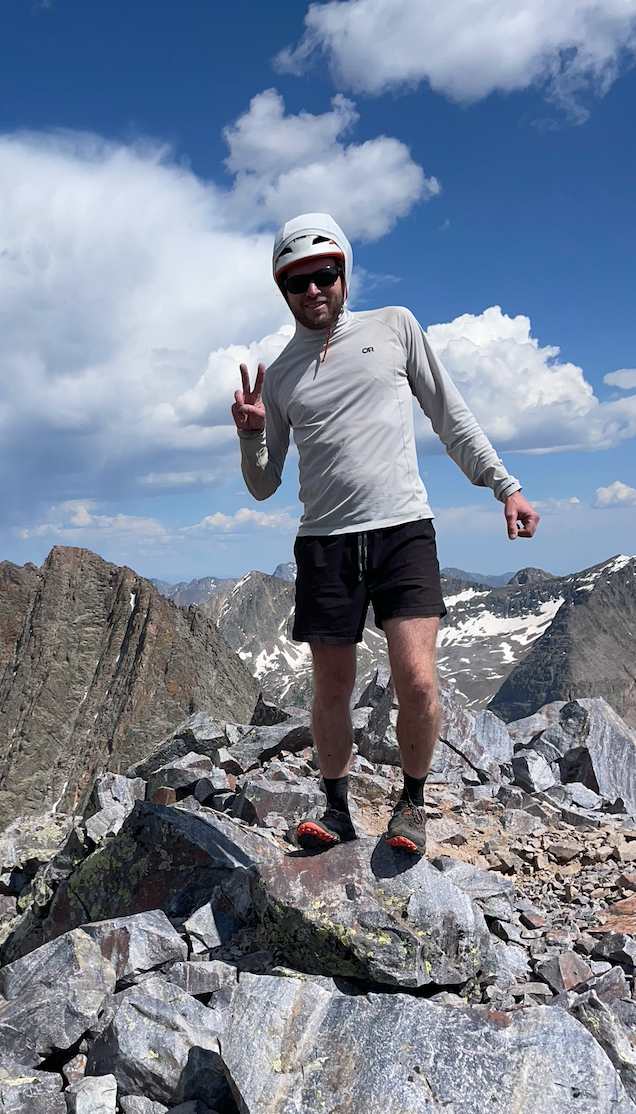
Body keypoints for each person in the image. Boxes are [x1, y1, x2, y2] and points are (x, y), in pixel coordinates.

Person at [231, 212, 539, 856]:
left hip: (403, 530)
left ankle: (412, 804)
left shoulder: (395, 327)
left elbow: (450, 416)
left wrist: (504, 485)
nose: (314, 289)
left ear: (344, 271)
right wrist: (252, 431)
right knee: (332, 689)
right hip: (325, 542)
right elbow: (263, 485)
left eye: (325, 274)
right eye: (297, 282)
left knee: (417, 681)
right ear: (282, 291)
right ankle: (337, 809)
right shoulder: (281, 373)